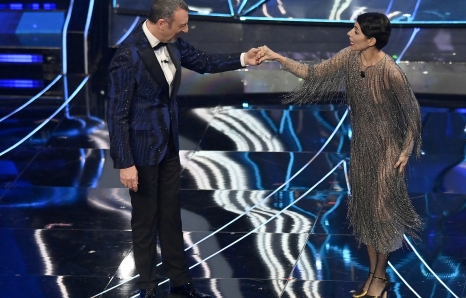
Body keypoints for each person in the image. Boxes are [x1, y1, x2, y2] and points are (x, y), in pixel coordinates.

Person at [256, 12, 423, 298]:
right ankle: (372, 275)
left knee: (382, 215)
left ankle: (380, 280)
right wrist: (277, 57)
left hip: (388, 150)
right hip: (361, 148)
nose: (349, 33)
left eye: (355, 31)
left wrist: (406, 151)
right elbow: (312, 73)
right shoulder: (349, 57)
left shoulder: (390, 71)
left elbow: (412, 113)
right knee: (367, 213)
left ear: (370, 40)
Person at [107, 0, 261, 297]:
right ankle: (148, 287)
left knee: (171, 216)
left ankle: (180, 283)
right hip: (141, 152)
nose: (186, 29)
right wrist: (125, 162)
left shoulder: (174, 43)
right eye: (182, 25)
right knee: (145, 220)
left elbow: (204, 62)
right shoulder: (128, 55)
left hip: (169, 147)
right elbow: (117, 113)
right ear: (162, 23)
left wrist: (244, 58)